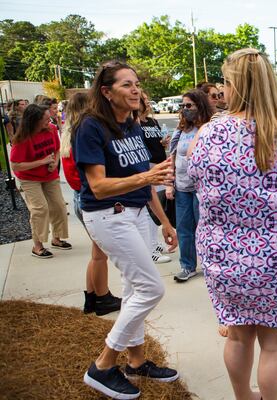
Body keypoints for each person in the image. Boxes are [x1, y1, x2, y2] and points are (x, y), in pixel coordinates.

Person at [188, 48, 277, 400]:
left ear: (233, 84)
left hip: (225, 257)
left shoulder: (207, 134)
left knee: (237, 336)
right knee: (275, 349)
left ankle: (243, 397)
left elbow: (191, 180)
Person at [75, 60, 179, 399]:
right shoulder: (90, 127)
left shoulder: (132, 125)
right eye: (126, 85)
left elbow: (143, 181)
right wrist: (147, 175)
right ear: (106, 92)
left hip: (136, 214)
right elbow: (99, 186)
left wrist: (164, 221)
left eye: (136, 83)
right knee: (151, 289)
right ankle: (103, 365)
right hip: (108, 215)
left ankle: (136, 362)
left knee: (134, 289)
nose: (135, 90)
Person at [60, 92, 121, 316]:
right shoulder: (85, 137)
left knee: (97, 254)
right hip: (90, 199)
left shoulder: (68, 135)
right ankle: (102, 297)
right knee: (99, 256)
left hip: (80, 197)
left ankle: (92, 297)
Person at [9, 104, 71, 258]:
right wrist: (41, 162)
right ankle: (37, 246)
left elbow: (56, 149)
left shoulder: (50, 129)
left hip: (49, 176)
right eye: (44, 119)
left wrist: (55, 162)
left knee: (58, 205)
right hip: (29, 179)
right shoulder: (22, 138)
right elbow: (15, 164)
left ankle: (57, 239)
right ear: (33, 121)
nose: (48, 121)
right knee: (40, 209)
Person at [168, 90, 213, 282]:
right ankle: (187, 266)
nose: (185, 110)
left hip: (202, 189)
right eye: (183, 106)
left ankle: (211, 266)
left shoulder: (209, 128)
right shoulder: (181, 130)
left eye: (189, 106)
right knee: (184, 228)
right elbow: (171, 157)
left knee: (206, 229)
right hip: (182, 188)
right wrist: (170, 184)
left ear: (200, 106)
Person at [139, 90, 172, 264]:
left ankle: (154, 242)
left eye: (146, 99)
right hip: (149, 167)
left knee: (157, 207)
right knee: (151, 210)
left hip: (160, 165)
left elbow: (156, 142)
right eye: (143, 100)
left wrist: (163, 143)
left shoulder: (152, 121)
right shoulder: (136, 124)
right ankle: (150, 248)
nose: (147, 102)